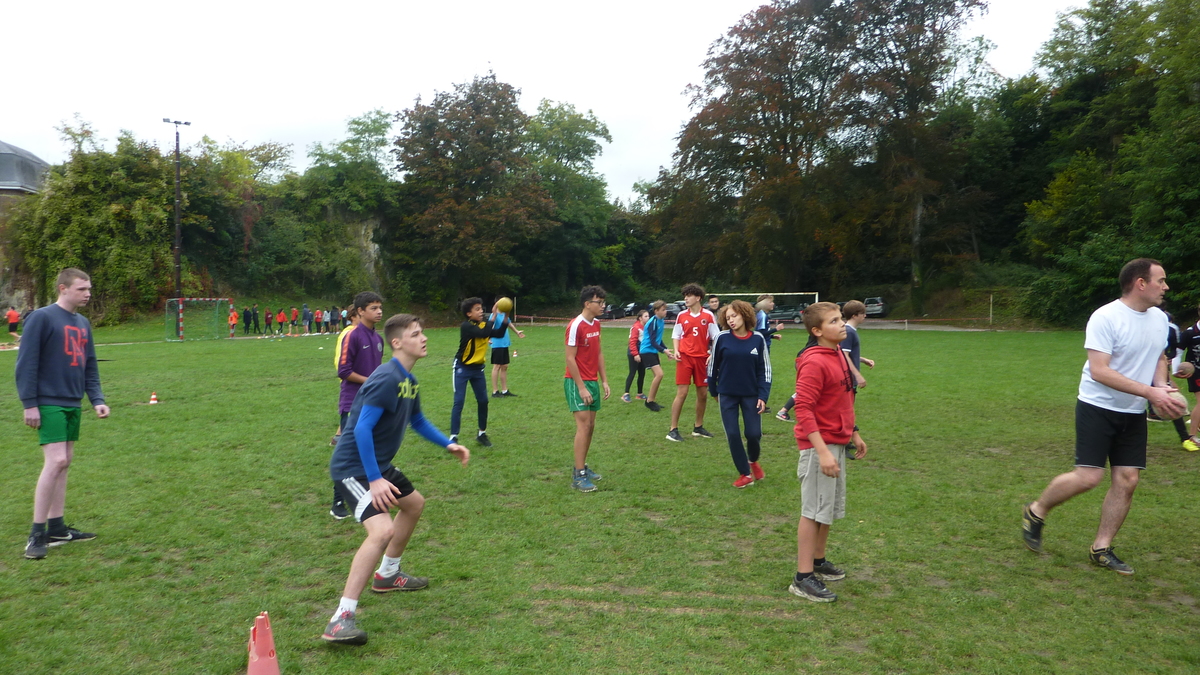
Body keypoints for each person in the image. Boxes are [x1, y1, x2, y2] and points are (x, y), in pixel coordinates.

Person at [1022, 258, 1183, 576]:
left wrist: (1161, 386)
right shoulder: (1106, 317)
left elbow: (1158, 357)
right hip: (1097, 407)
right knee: (1088, 478)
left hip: (1133, 411)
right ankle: (1036, 510)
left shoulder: (1160, 319)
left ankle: (1101, 548)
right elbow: (1099, 371)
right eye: (1161, 280)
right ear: (1140, 283)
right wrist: (1150, 393)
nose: (1166, 287)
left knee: (1128, 480)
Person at [322, 313, 470, 646]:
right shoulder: (386, 378)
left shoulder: (408, 380)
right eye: (416, 334)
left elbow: (417, 421)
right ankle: (340, 618)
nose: (424, 338)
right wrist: (375, 480)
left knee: (414, 504)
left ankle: (388, 573)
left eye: (422, 333)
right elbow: (361, 428)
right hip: (354, 468)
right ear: (397, 342)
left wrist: (448, 444)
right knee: (382, 531)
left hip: (377, 465)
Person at [15, 268, 110, 560]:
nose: (88, 294)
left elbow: (89, 364)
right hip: (48, 402)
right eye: (82, 289)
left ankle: (57, 528)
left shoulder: (83, 323)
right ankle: (36, 534)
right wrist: (30, 404)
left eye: (89, 289)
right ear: (63, 288)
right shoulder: (41, 318)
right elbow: (26, 363)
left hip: (72, 401)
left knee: (65, 462)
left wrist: (96, 399)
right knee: (55, 461)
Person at [789, 302, 868, 602]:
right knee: (812, 511)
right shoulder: (813, 362)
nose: (842, 324)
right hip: (818, 446)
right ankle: (802, 577)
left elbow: (843, 400)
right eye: (834, 321)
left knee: (826, 509)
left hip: (836, 441)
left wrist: (854, 432)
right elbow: (804, 410)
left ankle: (818, 560)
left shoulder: (837, 354)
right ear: (817, 331)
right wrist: (822, 452)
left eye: (840, 319)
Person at [709, 301, 772, 488]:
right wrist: (714, 390)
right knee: (733, 434)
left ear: (744, 315)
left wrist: (763, 396)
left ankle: (753, 460)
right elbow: (712, 367)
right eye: (728, 317)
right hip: (727, 394)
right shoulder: (721, 338)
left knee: (753, 434)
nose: (731, 320)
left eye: (734, 316)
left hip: (751, 394)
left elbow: (765, 370)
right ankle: (745, 473)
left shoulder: (758, 339)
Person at [332, 293, 384, 519]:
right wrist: (371, 381)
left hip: (373, 402)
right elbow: (343, 371)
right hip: (352, 402)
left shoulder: (378, 338)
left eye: (380, 307)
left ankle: (369, 495)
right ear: (360, 311)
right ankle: (337, 502)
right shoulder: (352, 336)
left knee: (371, 449)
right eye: (373, 308)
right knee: (347, 453)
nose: (379, 312)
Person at [565, 286, 610, 492]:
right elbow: (570, 358)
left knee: (590, 426)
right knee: (583, 426)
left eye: (603, 302)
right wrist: (581, 387)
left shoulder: (597, 324)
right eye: (599, 302)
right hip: (577, 382)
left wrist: (604, 380)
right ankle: (578, 475)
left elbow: (598, 353)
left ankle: (582, 465)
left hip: (592, 380)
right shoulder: (575, 325)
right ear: (587, 304)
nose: (603, 306)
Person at [450, 298, 510, 447]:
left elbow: (499, 333)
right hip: (462, 368)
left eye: (481, 308)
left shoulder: (483, 325)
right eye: (477, 309)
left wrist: (506, 316)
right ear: (468, 314)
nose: (481, 311)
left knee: (483, 401)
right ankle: (453, 437)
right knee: (459, 401)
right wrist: (494, 315)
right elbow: (483, 333)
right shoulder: (466, 326)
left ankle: (482, 434)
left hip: (477, 369)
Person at [667, 284, 719, 442]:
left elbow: (716, 337)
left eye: (689, 295)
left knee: (702, 394)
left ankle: (698, 427)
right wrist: (677, 350)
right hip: (685, 358)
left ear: (698, 297)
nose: (686, 298)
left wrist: (712, 353)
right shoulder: (681, 315)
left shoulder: (708, 316)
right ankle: (673, 429)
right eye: (685, 296)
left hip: (702, 359)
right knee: (682, 393)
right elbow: (676, 335)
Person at [638, 301, 677, 412]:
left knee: (658, 375)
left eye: (665, 309)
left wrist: (665, 349)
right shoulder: (653, 322)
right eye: (663, 310)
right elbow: (652, 341)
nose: (666, 312)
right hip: (647, 351)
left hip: (652, 351)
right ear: (656, 311)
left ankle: (651, 400)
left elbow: (658, 340)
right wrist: (664, 351)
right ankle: (649, 401)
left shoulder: (661, 321)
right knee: (659, 374)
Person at [331, 306, 361, 447]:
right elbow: (340, 358)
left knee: (356, 410)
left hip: (357, 377)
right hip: (351, 378)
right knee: (352, 409)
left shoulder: (360, 332)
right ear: (352, 317)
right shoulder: (349, 333)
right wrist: (348, 375)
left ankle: (339, 437)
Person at [489, 306, 525, 398]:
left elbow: (509, 323)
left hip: (504, 343)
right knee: (497, 366)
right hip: (497, 344)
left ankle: (504, 390)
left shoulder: (504, 315)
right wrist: (488, 337)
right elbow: (490, 326)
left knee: (504, 366)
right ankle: (495, 391)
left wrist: (517, 332)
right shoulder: (494, 315)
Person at [622, 309, 650, 403]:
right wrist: (635, 354)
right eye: (646, 316)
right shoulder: (636, 327)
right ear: (640, 318)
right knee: (632, 373)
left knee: (642, 373)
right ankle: (626, 394)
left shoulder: (645, 327)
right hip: (633, 353)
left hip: (641, 353)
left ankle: (639, 394)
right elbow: (632, 342)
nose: (648, 318)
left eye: (648, 316)